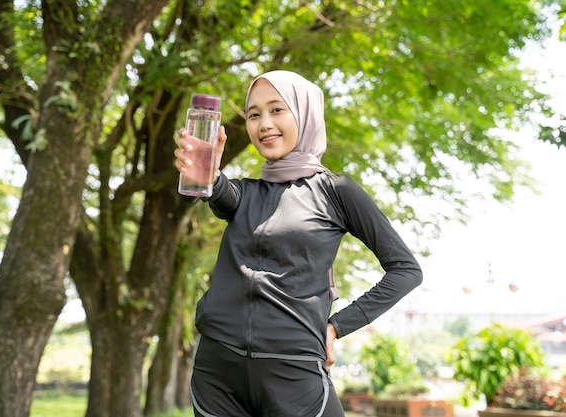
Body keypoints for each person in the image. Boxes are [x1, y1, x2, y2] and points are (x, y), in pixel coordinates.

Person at [174, 70, 422, 417]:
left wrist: (337, 326)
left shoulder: (336, 192)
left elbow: (406, 270)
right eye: (254, 114)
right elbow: (221, 193)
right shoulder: (247, 193)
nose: (264, 124)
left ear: (304, 113)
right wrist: (207, 173)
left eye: (277, 110)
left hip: (294, 374)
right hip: (218, 374)